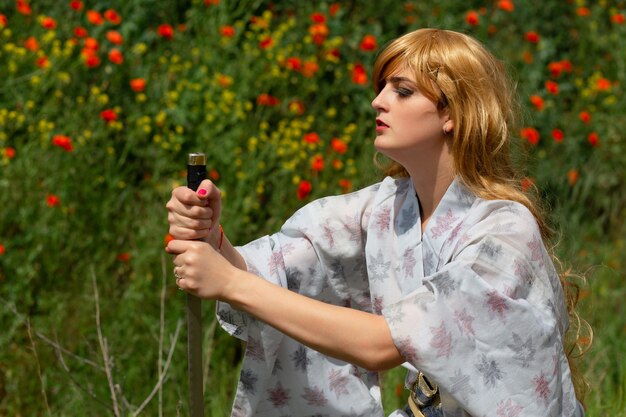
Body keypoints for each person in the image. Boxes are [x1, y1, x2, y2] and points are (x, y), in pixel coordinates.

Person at [166, 28, 586, 416]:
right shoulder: (388, 208)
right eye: (383, 87)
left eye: (402, 91)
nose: (378, 101)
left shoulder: (504, 233)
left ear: (452, 113)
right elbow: (280, 271)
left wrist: (230, 282)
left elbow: (383, 344)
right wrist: (212, 237)